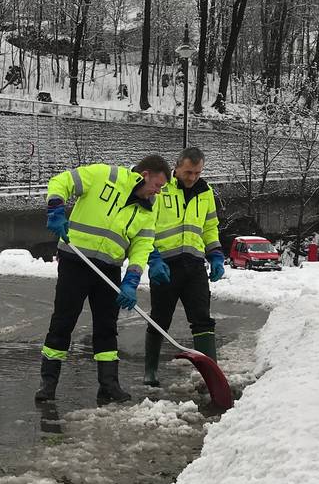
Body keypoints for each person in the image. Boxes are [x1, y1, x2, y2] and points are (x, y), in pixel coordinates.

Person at [35, 155, 171, 406]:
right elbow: (61, 181)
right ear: (145, 175)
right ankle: (48, 383)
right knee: (63, 321)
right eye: (158, 185)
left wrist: (131, 281)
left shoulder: (148, 210)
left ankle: (109, 385)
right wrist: (56, 209)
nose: (158, 192)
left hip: (109, 269)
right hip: (75, 260)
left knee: (107, 327)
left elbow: (142, 246)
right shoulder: (105, 175)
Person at [142, 146, 223, 387]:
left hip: (195, 265)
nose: (192, 178)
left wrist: (216, 254)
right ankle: (150, 370)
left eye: (197, 173)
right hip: (165, 265)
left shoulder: (205, 192)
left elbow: (210, 227)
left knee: (202, 319)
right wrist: (152, 258)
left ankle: (211, 376)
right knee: (160, 318)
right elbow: (146, 226)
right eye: (188, 172)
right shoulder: (161, 189)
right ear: (176, 168)